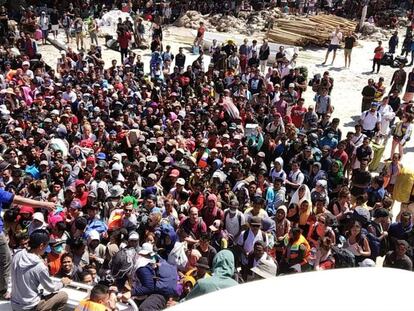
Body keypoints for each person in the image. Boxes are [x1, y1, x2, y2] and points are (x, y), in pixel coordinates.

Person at [11, 229, 71, 311]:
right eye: (47, 245)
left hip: (15, 305)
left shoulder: (17, 254)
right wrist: (62, 283)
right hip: (31, 307)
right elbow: (51, 288)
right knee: (63, 296)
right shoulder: (39, 266)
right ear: (41, 246)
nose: (47, 248)